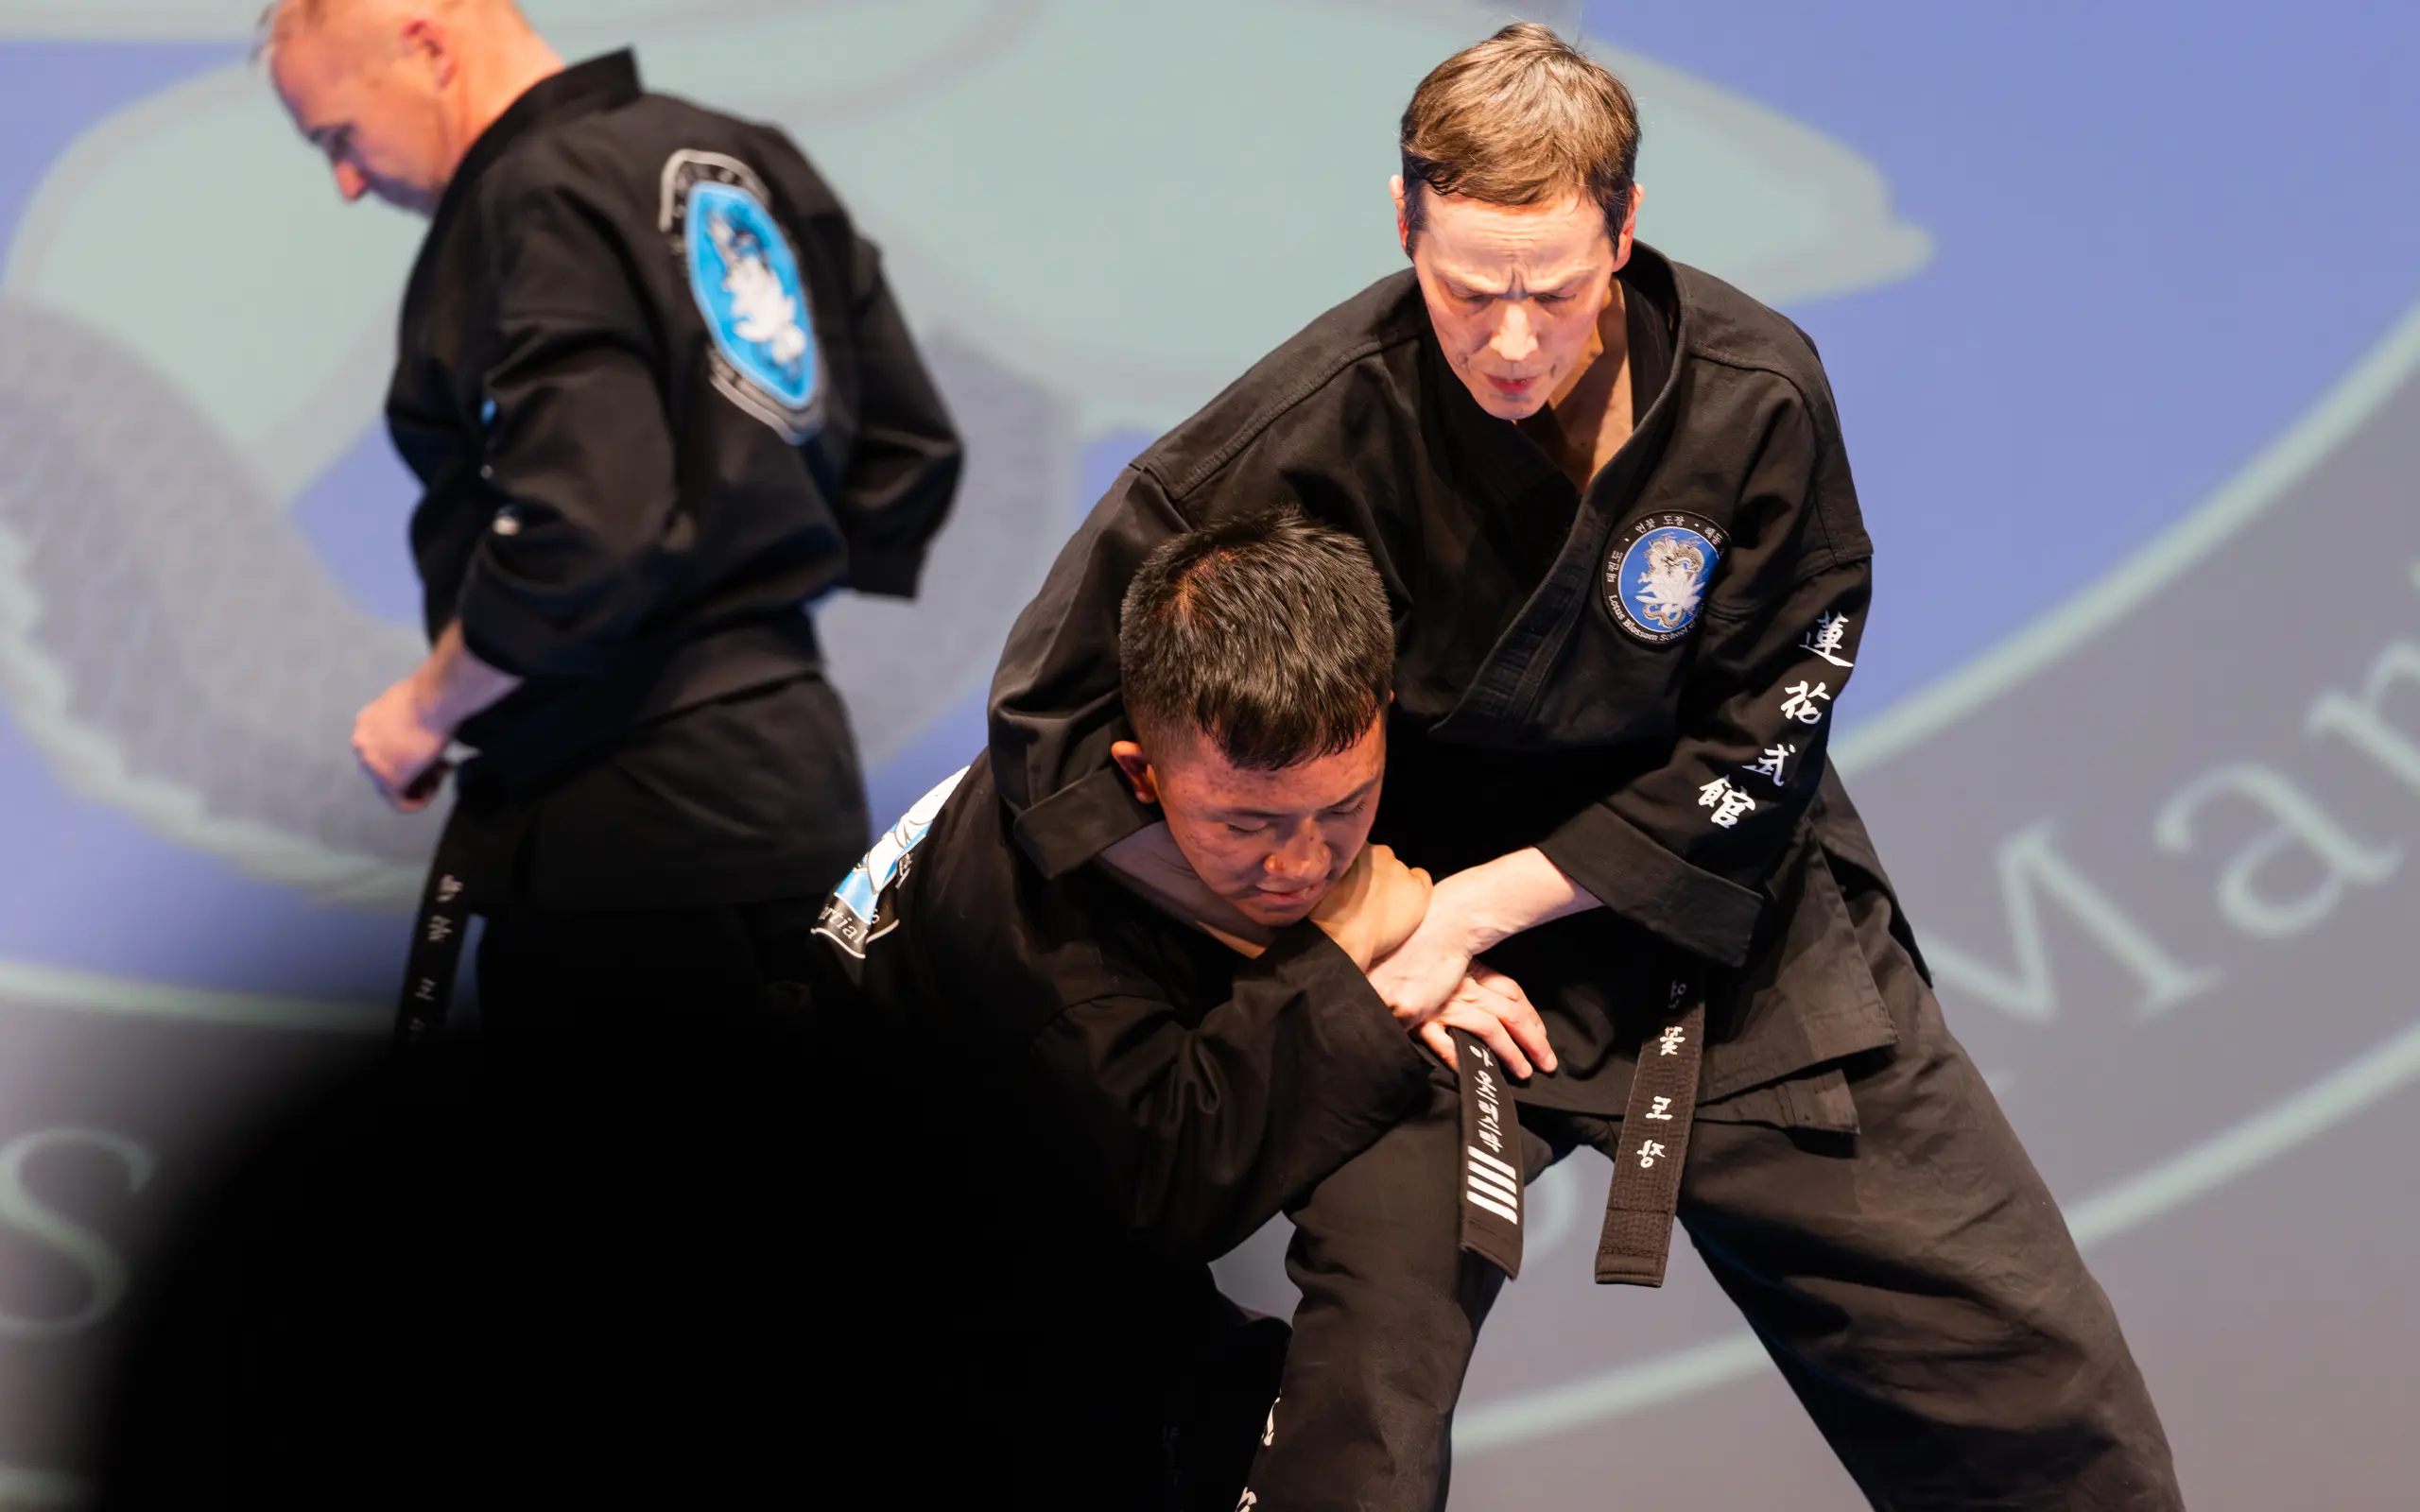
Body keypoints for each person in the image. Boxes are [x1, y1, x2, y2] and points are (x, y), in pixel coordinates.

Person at [987, 23, 2182, 1511]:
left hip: (1708, 923)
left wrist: (1472, 908)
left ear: (1623, 231)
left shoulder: (1753, 394)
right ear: (1404, 222)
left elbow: (1768, 728)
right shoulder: (1300, 431)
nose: (1508, 340)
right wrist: (1351, 914)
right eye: (1465, 289)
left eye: (1551, 291)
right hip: (1434, 975)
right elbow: (1047, 730)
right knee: (1362, 1398)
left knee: (2031, 1387)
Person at [814, 507, 1552, 1509]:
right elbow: (1171, 1179)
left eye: (1345, 807)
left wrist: (1423, 938)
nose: (1301, 863)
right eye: (1246, 824)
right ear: (1140, 774)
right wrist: (1352, 941)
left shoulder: (1110, 758)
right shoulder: (1044, 952)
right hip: (905, 1295)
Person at [261, 0, 959, 1029]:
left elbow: (579, 537)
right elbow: (908, 451)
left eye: (340, 137)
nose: (349, 182)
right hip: (795, 787)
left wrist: (426, 711)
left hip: (623, 829)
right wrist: (741, 588)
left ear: (428, 47)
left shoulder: (532, 193)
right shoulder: (750, 159)